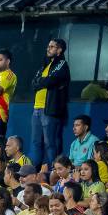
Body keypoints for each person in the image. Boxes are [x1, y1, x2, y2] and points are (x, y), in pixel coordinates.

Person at [30, 39, 71, 171]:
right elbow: (33, 83)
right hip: (36, 109)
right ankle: (35, 171)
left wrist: (42, 81)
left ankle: (54, 170)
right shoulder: (44, 66)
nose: (48, 49)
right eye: (48, 46)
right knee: (36, 142)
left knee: (50, 143)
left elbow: (52, 80)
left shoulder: (62, 64)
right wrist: (43, 81)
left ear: (59, 50)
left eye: (52, 47)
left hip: (49, 110)